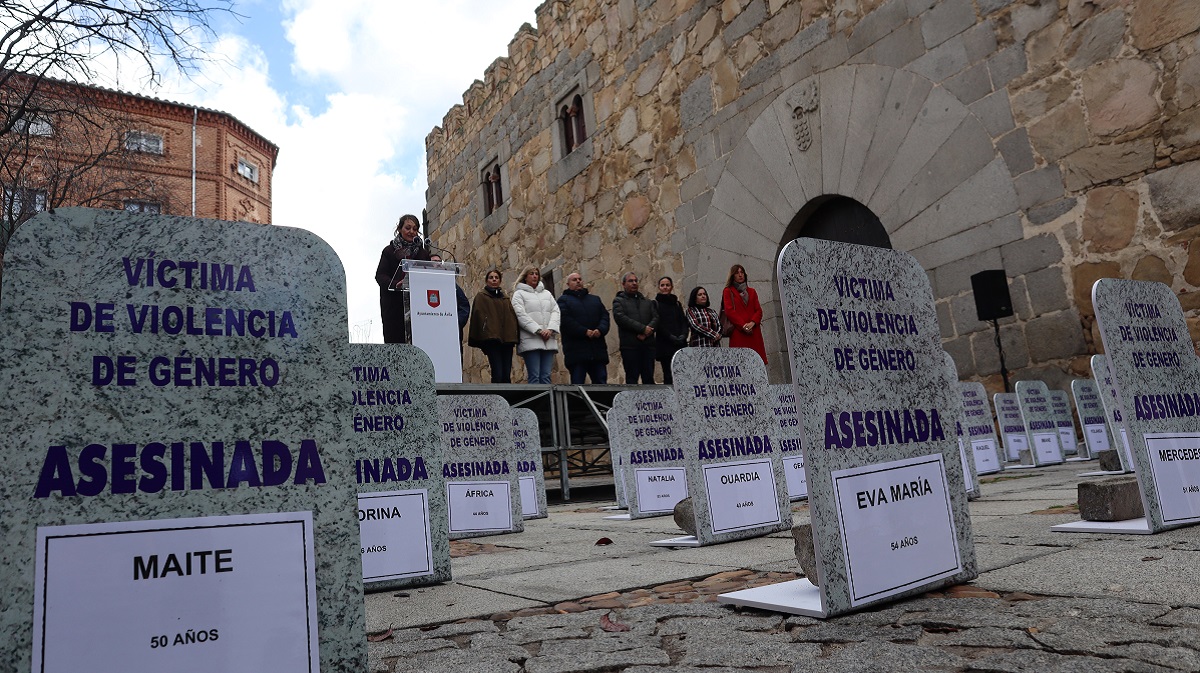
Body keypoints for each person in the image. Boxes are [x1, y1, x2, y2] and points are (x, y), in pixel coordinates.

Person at [375, 213, 430, 343]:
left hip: (418, 306)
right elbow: (380, 275)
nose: (411, 232)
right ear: (399, 229)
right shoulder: (389, 251)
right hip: (394, 306)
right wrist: (395, 284)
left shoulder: (423, 253)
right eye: (408, 228)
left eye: (415, 229)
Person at [557, 272, 610, 384]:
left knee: (601, 384)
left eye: (579, 279)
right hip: (576, 353)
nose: (578, 281)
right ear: (568, 284)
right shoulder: (563, 301)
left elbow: (605, 317)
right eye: (574, 280)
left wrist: (600, 330)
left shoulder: (595, 300)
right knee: (578, 384)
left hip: (597, 351)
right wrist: (584, 332)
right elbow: (566, 321)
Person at [468, 269, 519, 383]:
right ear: (487, 281)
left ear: (500, 281)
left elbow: (511, 318)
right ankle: (497, 394)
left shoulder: (505, 299)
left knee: (506, 375)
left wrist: (513, 335)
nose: (494, 279)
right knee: (497, 373)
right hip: (492, 340)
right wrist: (484, 334)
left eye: (496, 277)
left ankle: (507, 394)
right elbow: (478, 316)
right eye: (491, 277)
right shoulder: (481, 297)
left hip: (506, 340)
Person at [511, 266, 560, 384]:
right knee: (535, 376)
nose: (534, 276)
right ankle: (536, 397)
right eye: (531, 274)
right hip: (531, 339)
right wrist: (538, 330)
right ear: (525, 277)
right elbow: (520, 314)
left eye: (536, 274)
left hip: (548, 339)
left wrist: (550, 329)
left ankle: (547, 397)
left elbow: (555, 311)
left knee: (546, 376)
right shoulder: (519, 294)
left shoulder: (547, 294)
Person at [612, 272, 658, 384]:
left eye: (636, 281)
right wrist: (642, 329)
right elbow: (621, 319)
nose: (634, 283)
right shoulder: (619, 301)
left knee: (649, 379)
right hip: (630, 347)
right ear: (623, 284)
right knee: (632, 379)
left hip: (647, 346)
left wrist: (646, 332)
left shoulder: (647, 302)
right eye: (630, 281)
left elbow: (656, 318)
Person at [722, 264, 767, 365]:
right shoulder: (728, 291)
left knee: (757, 363)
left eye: (742, 272)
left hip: (754, 332)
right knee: (740, 363)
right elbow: (729, 311)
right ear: (732, 276)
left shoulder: (752, 291)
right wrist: (743, 325)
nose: (740, 275)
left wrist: (753, 322)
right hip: (739, 332)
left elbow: (758, 310)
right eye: (737, 273)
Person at [430, 253, 471, 346]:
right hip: (430, 333)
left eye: (439, 262)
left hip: (451, 334)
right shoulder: (421, 284)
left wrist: (456, 323)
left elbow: (464, 306)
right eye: (434, 262)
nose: (437, 264)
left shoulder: (451, 284)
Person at [654, 276, 687, 385]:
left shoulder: (677, 304)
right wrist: (670, 336)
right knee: (668, 374)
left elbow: (683, 321)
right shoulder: (656, 304)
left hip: (679, 344)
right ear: (659, 287)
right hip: (665, 345)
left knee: (681, 374)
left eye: (667, 285)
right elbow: (658, 324)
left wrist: (683, 335)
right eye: (662, 285)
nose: (665, 287)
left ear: (671, 287)